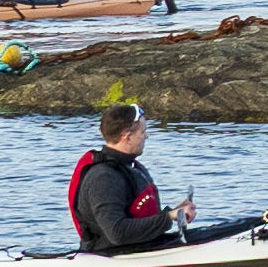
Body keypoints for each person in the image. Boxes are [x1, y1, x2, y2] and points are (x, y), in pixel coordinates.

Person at [66, 104, 192, 253]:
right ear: (127, 136)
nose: (146, 136)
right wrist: (168, 217)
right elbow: (117, 233)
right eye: (143, 131)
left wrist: (175, 212)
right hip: (111, 254)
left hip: (139, 246)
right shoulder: (103, 177)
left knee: (214, 232)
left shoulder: (132, 167)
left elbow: (140, 217)